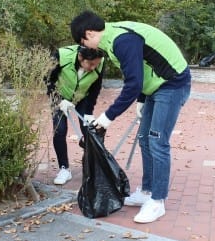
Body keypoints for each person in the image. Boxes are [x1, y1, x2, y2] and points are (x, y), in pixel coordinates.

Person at [70, 11, 191, 224]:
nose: (86, 48)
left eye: (82, 42)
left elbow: (133, 84)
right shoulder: (111, 39)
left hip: (173, 84)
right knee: (144, 139)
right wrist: (143, 99)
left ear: (89, 33)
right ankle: (146, 191)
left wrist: (107, 117)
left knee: (157, 142)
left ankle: (157, 201)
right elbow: (143, 65)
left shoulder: (121, 40)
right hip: (156, 86)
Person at [45, 45, 105, 185]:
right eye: (90, 64)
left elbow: (96, 88)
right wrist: (59, 100)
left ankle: (91, 169)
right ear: (80, 57)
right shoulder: (62, 56)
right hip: (59, 96)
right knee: (59, 130)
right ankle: (64, 169)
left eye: (95, 64)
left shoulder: (99, 62)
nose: (93, 67)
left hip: (82, 98)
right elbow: (48, 79)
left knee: (89, 132)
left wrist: (89, 112)